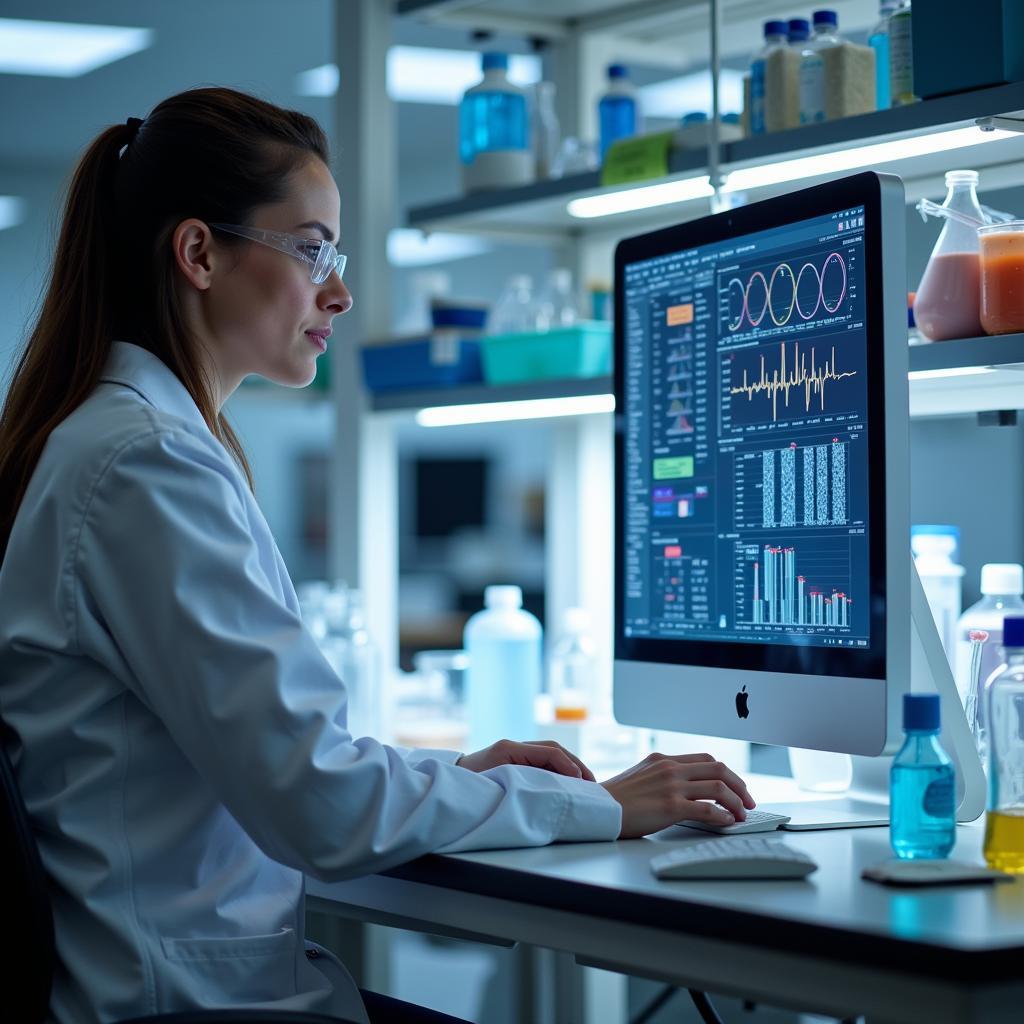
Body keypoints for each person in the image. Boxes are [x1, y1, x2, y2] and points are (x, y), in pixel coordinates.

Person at [0, 87, 754, 1024]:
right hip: (188, 1005)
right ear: (197, 253)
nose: (341, 290)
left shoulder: (127, 438)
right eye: (311, 248)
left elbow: (283, 765)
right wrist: (605, 806)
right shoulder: (144, 462)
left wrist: (466, 779)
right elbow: (318, 802)